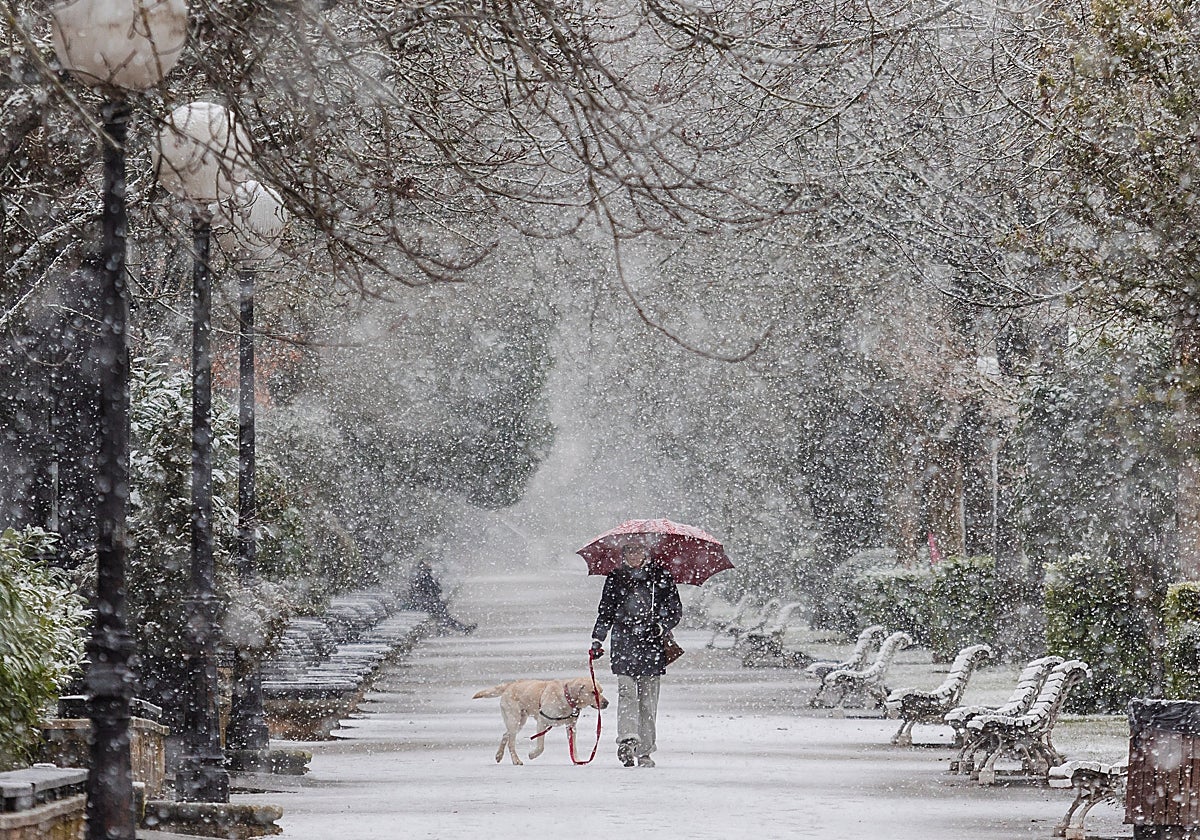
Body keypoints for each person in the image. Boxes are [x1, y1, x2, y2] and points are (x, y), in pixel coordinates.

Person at [590, 542, 682, 767]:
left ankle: (645, 750)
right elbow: (606, 611)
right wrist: (597, 638)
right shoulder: (615, 578)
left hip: (651, 646)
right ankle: (627, 740)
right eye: (629, 551)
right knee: (627, 694)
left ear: (646, 552)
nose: (634, 555)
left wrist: (662, 625)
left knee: (648, 702)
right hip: (624, 645)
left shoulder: (661, 577)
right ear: (623, 554)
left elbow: (675, 609)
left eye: (638, 550)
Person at [406, 558, 476, 635]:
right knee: (443, 615)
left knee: (443, 614)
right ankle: (461, 628)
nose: (430, 565)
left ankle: (459, 628)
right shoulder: (424, 576)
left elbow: (430, 589)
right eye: (428, 564)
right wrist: (435, 593)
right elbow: (432, 589)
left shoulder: (423, 575)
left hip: (426, 601)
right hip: (427, 602)